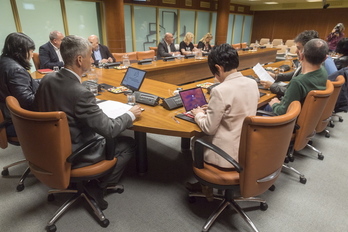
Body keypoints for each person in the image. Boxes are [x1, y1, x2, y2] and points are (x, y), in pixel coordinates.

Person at [34, 35, 142, 210]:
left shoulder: (47, 79)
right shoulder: (80, 92)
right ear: (79, 59)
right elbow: (109, 129)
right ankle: (98, 185)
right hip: (75, 152)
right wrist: (130, 114)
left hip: (48, 147)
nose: (92, 59)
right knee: (128, 143)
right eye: (90, 55)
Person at [185, 44, 259, 197]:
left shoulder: (219, 90)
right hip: (248, 148)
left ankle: (204, 186)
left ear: (218, 68)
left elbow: (208, 128)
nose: (215, 77)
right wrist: (213, 108)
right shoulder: (252, 83)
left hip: (226, 156)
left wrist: (199, 113)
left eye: (214, 73)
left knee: (195, 139)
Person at [260, 30, 334, 97]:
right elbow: (296, 73)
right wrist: (276, 76)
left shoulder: (311, 70)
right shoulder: (318, 65)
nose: (295, 51)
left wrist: (272, 86)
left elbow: (294, 93)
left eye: (299, 48)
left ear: (307, 49)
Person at [268, 39, 328, 115]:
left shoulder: (298, 82)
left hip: (287, 121)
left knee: (260, 107)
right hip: (307, 115)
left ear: (301, 56)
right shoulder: (323, 72)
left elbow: (282, 112)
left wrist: (275, 104)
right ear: (325, 58)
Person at [0, 32, 39, 137]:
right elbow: (28, 102)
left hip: (6, 115)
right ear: (20, 51)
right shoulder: (16, 70)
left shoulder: (3, 61)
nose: (32, 54)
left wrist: (45, 82)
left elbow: (23, 85)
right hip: (17, 121)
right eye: (31, 51)